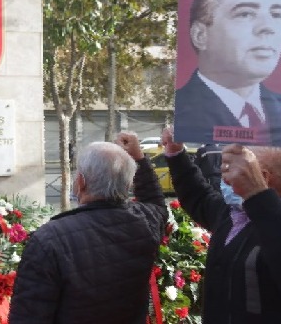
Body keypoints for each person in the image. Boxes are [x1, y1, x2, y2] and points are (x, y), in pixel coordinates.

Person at [163, 128, 281, 323]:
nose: (224, 179)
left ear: (262, 177)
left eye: (235, 170)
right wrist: (176, 154)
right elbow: (200, 197)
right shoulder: (236, 213)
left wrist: (258, 195)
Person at [9, 132, 166, 323]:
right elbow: (157, 204)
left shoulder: (50, 239)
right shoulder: (146, 222)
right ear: (128, 184)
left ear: (81, 182)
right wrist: (139, 159)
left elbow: (28, 316)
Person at [174, 0, 281, 148]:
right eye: (245, 14)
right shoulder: (182, 112)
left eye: (276, 15)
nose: (268, 27)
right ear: (200, 35)